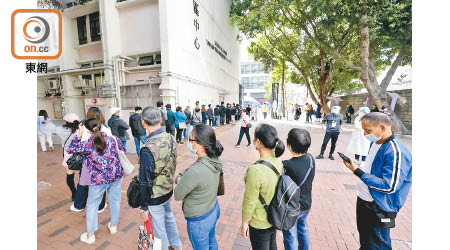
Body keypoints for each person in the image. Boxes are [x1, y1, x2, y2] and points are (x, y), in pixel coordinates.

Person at [341, 112, 412, 250]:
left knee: (378, 244)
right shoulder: (376, 143)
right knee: (366, 241)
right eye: (363, 130)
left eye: (368, 130)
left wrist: (357, 171)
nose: (365, 134)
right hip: (364, 200)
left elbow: (389, 186)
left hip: (379, 205)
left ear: (383, 127)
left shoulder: (395, 151)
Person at [68, 118, 124, 245]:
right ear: (101, 126)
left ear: (88, 130)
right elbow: (122, 150)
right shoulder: (113, 139)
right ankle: (113, 226)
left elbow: (71, 149)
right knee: (115, 200)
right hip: (116, 175)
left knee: (92, 205)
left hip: (98, 179)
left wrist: (78, 134)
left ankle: (91, 234)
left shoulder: (88, 144)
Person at [138, 107, 182, 250]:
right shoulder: (170, 137)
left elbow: (145, 180)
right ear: (161, 120)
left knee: (159, 229)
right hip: (168, 189)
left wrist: (144, 206)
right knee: (169, 218)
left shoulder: (148, 148)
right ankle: (176, 245)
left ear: (143, 122)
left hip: (155, 195)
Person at [174, 124, 224, 250]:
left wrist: (180, 179)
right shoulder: (213, 158)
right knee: (212, 241)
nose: (189, 143)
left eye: (191, 140)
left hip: (199, 220)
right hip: (213, 208)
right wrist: (183, 177)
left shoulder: (196, 171)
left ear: (200, 144)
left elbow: (178, 195)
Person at [241, 124, 285, 250]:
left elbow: (250, 200)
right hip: (274, 215)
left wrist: (244, 223)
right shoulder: (278, 161)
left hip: (260, 221)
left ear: (258, 142)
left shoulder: (255, 170)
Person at [70, 107, 109, 213]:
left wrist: (79, 133)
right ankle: (100, 207)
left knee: (83, 183)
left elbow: (74, 147)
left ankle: (79, 205)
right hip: (102, 162)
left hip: (87, 162)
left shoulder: (83, 128)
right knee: (100, 184)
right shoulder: (106, 128)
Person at [282, 129, 315, 250]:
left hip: (292, 207)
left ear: (289, 145)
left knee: (291, 234)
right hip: (306, 203)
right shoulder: (311, 159)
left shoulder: (286, 165)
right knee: (302, 227)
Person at [55, 113, 80, 201]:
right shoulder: (80, 130)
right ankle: (82, 192)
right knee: (83, 174)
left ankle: (74, 193)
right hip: (80, 154)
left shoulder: (62, 129)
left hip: (68, 154)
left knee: (70, 175)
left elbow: (52, 128)